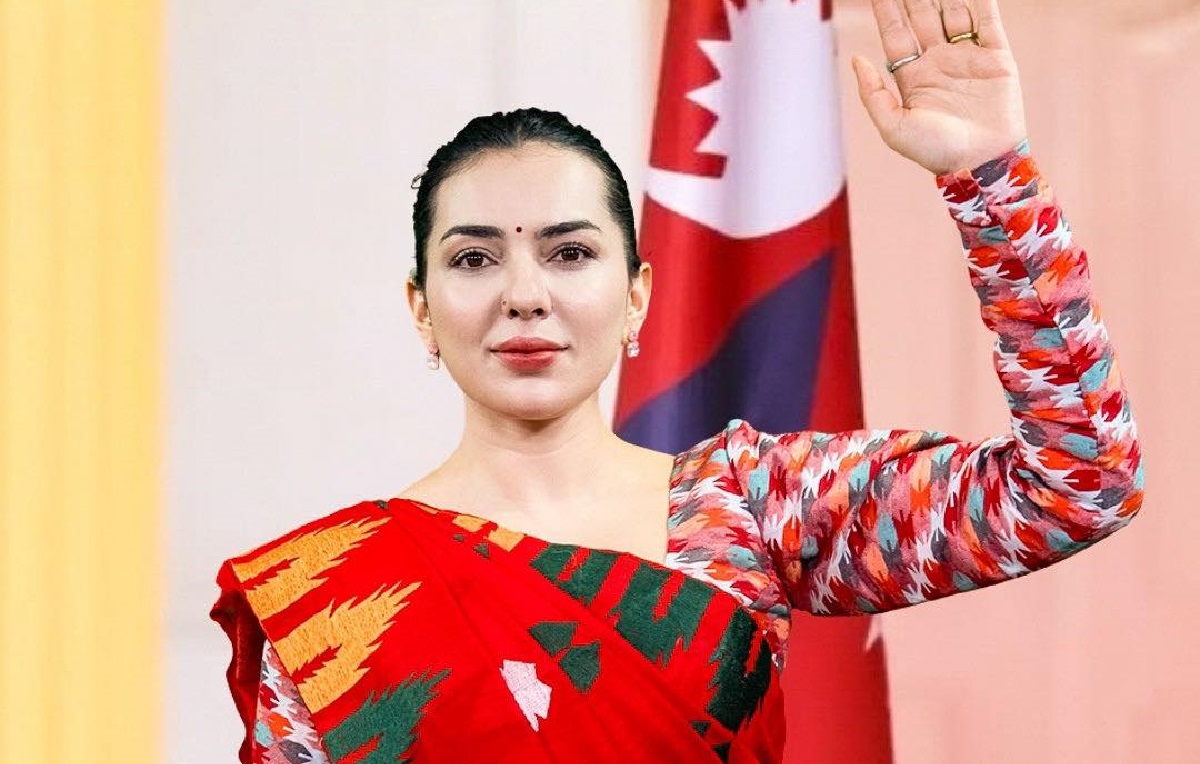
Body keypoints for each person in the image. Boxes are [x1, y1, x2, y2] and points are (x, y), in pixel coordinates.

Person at [211, 1, 1144, 762]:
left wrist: (991, 179)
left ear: (636, 297)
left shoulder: (747, 506)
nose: (525, 295)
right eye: (474, 259)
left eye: (570, 253)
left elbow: (1078, 483)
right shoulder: (329, 595)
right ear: (422, 307)